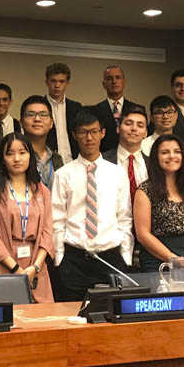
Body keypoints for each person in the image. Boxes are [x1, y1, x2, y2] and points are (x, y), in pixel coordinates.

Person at [51, 110, 133, 301]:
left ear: (103, 133)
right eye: (83, 132)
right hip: (74, 260)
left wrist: (125, 257)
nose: (89, 138)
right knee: (71, 318)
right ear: (74, 135)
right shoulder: (63, 174)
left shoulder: (117, 173)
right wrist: (60, 260)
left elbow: (124, 217)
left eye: (94, 132)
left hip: (111, 258)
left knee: (111, 321)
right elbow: (57, 220)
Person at [0, 133, 54, 302]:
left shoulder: (42, 191)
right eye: (10, 153)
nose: (17, 158)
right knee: (6, 321)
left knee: (41, 322)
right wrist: (17, 270)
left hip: (36, 267)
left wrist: (35, 267)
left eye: (22, 152)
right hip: (3, 265)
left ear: (30, 156)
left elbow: (48, 234)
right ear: (2, 159)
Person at [133, 134, 184, 290]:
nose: (172, 156)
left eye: (177, 151)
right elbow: (143, 234)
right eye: (165, 152)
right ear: (156, 157)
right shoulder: (145, 191)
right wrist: (176, 261)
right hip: (159, 264)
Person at [102, 105, 149, 202]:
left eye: (140, 125)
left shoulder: (153, 164)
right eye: (128, 123)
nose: (134, 128)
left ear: (145, 133)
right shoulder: (102, 160)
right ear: (118, 128)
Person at [93, 65, 145, 153]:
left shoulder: (138, 109)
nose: (114, 81)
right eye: (109, 78)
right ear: (104, 84)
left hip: (132, 157)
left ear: (124, 82)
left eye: (118, 78)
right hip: (104, 159)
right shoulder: (95, 111)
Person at [44, 62, 83, 164]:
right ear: (47, 82)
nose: (57, 85)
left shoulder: (76, 108)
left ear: (68, 84)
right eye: (53, 81)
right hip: (47, 164)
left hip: (74, 163)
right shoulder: (39, 106)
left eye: (61, 81)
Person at [20, 95, 62, 190]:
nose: (37, 119)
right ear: (21, 122)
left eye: (43, 115)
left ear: (51, 123)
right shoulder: (10, 155)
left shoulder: (57, 159)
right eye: (31, 114)